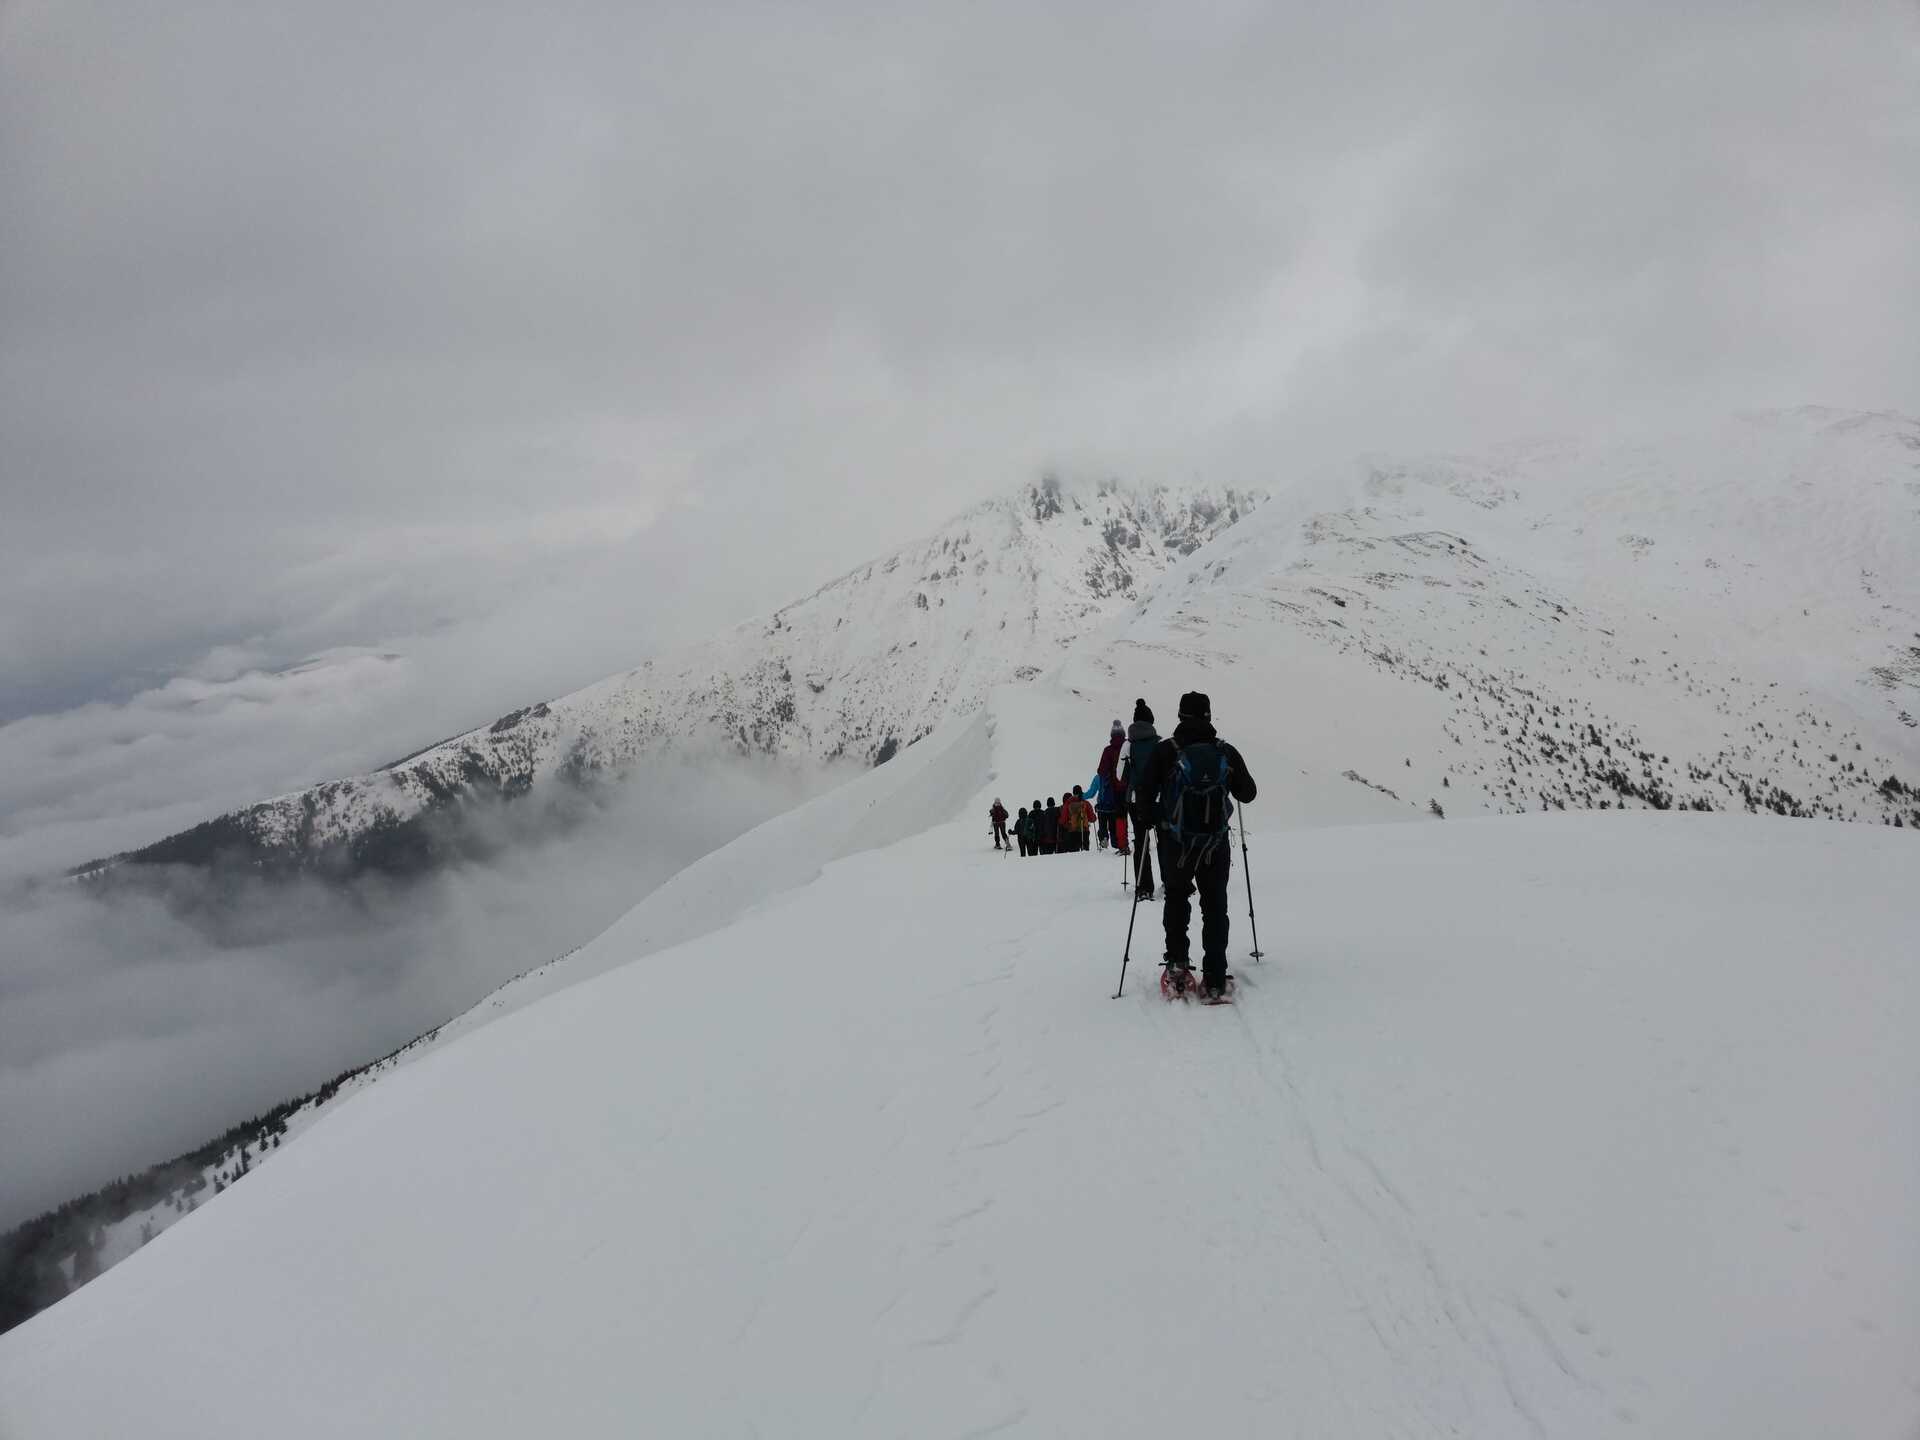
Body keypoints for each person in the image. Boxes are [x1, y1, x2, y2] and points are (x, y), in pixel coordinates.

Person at [1135, 691, 1257, 1001]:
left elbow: (1143, 800)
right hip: (1215, 844)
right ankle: (1214, 977)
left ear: (1180, 717)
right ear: (1208, 716)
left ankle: (1177, 967)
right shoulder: (1225, 751)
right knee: (1215, 905)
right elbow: (1248, 793)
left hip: (1175, 845)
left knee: (1176, 899)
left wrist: (1155, 819)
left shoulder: (1165, 751)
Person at [1120, 698, 1160, 899]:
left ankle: (1144, 887)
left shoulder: (1128, 746)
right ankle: (1171, 883)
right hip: (1159, 800)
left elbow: (1120, 775)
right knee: (1164, 841)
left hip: (1136, 801)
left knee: (1141, 841)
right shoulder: (1160, 743)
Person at [1094, 720, 1126, 852]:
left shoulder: (1108, 750)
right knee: (1123, 817)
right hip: (1128, 788)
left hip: (1112, 791)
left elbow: (1101, 771)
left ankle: (1118, 842)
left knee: (1115, 817)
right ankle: (1119, 841)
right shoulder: (1128, 747)